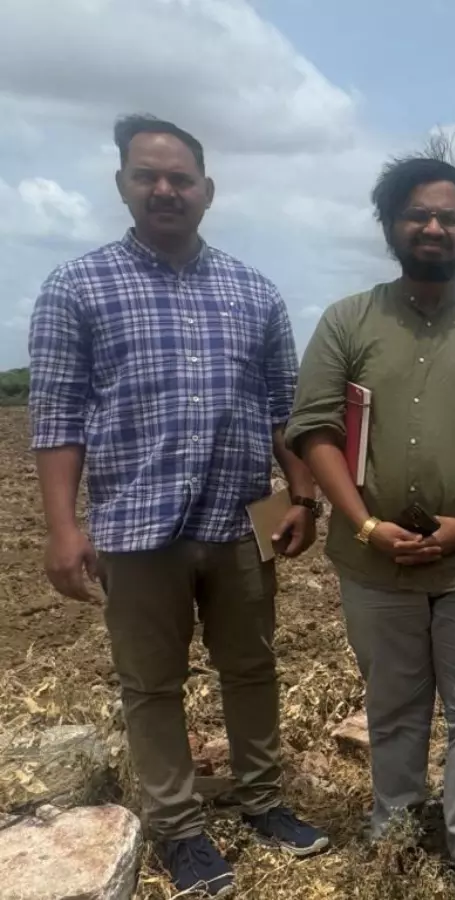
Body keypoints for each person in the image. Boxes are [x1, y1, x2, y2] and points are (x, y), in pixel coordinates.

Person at [27, 114, 328, 897]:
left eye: (180, 178)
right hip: (134, 523)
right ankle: (178, 827)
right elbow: (56, 418)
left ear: (207, 191)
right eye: (146, 176)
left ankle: (262, 798)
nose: (164, 189)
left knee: (253, 665)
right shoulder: (76, 287)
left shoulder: (254, 291)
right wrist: (64, 530)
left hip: (242, 517)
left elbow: (282, 411)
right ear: (122, 185)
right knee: (152, 683)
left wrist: (302, 497)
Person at [285, 141, 455, 900]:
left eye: (449, 218)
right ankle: (395, 825)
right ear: (390, 226)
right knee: (394, 703)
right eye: (417, 217)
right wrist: (365, 525)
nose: (433, 229)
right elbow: (314, 429)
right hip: (374, 561)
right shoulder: (347, 321)